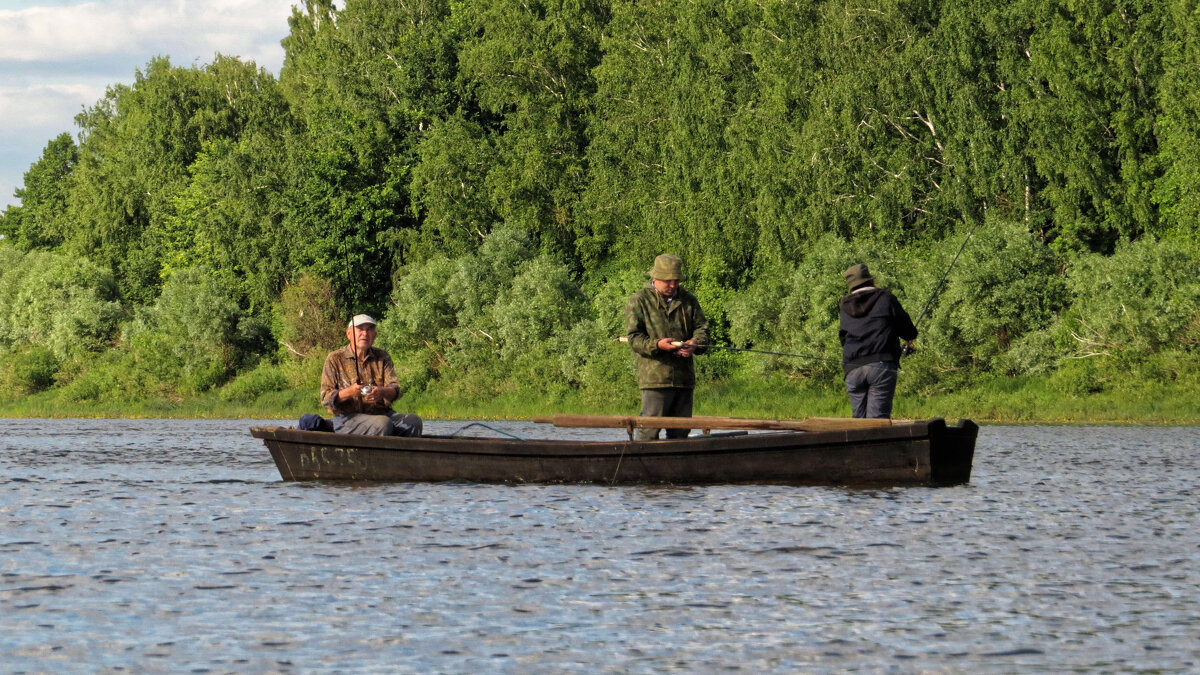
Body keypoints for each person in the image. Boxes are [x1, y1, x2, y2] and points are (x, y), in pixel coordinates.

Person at [624, 254, 709, 440]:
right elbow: (634, 338)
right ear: (655, 278)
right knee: (649, 431)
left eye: (676, 280)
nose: (673, 285)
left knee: (680, 433)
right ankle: (640, 465)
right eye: (668, 281)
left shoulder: (689, 300)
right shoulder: (638, 300)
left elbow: (702, 329)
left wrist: (695, 344)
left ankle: (676, 468)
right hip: (655, 379)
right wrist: (658, 345)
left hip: (684, 379)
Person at [319, 314, 423, 436]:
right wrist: (350, 392)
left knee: (414, 421)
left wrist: (381, 392)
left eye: (369, 329)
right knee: (383, 423)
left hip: (383, 414)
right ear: (349, 334)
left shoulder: (382, 356)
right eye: (360, 329)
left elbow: (396, 390)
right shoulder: (334, 358)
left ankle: (404, 455)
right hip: (347, 419)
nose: (365, 333)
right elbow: (325, 398)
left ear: (375, 335)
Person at [838, 263, 917, 419]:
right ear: (871, 281)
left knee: (858, 421)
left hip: (852, 369)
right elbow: (908, 330)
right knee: (877, 421)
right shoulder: (885, 298)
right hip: (881, 366)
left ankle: (857, 442)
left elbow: (843, 338)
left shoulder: (845, 304)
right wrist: (909, 338)